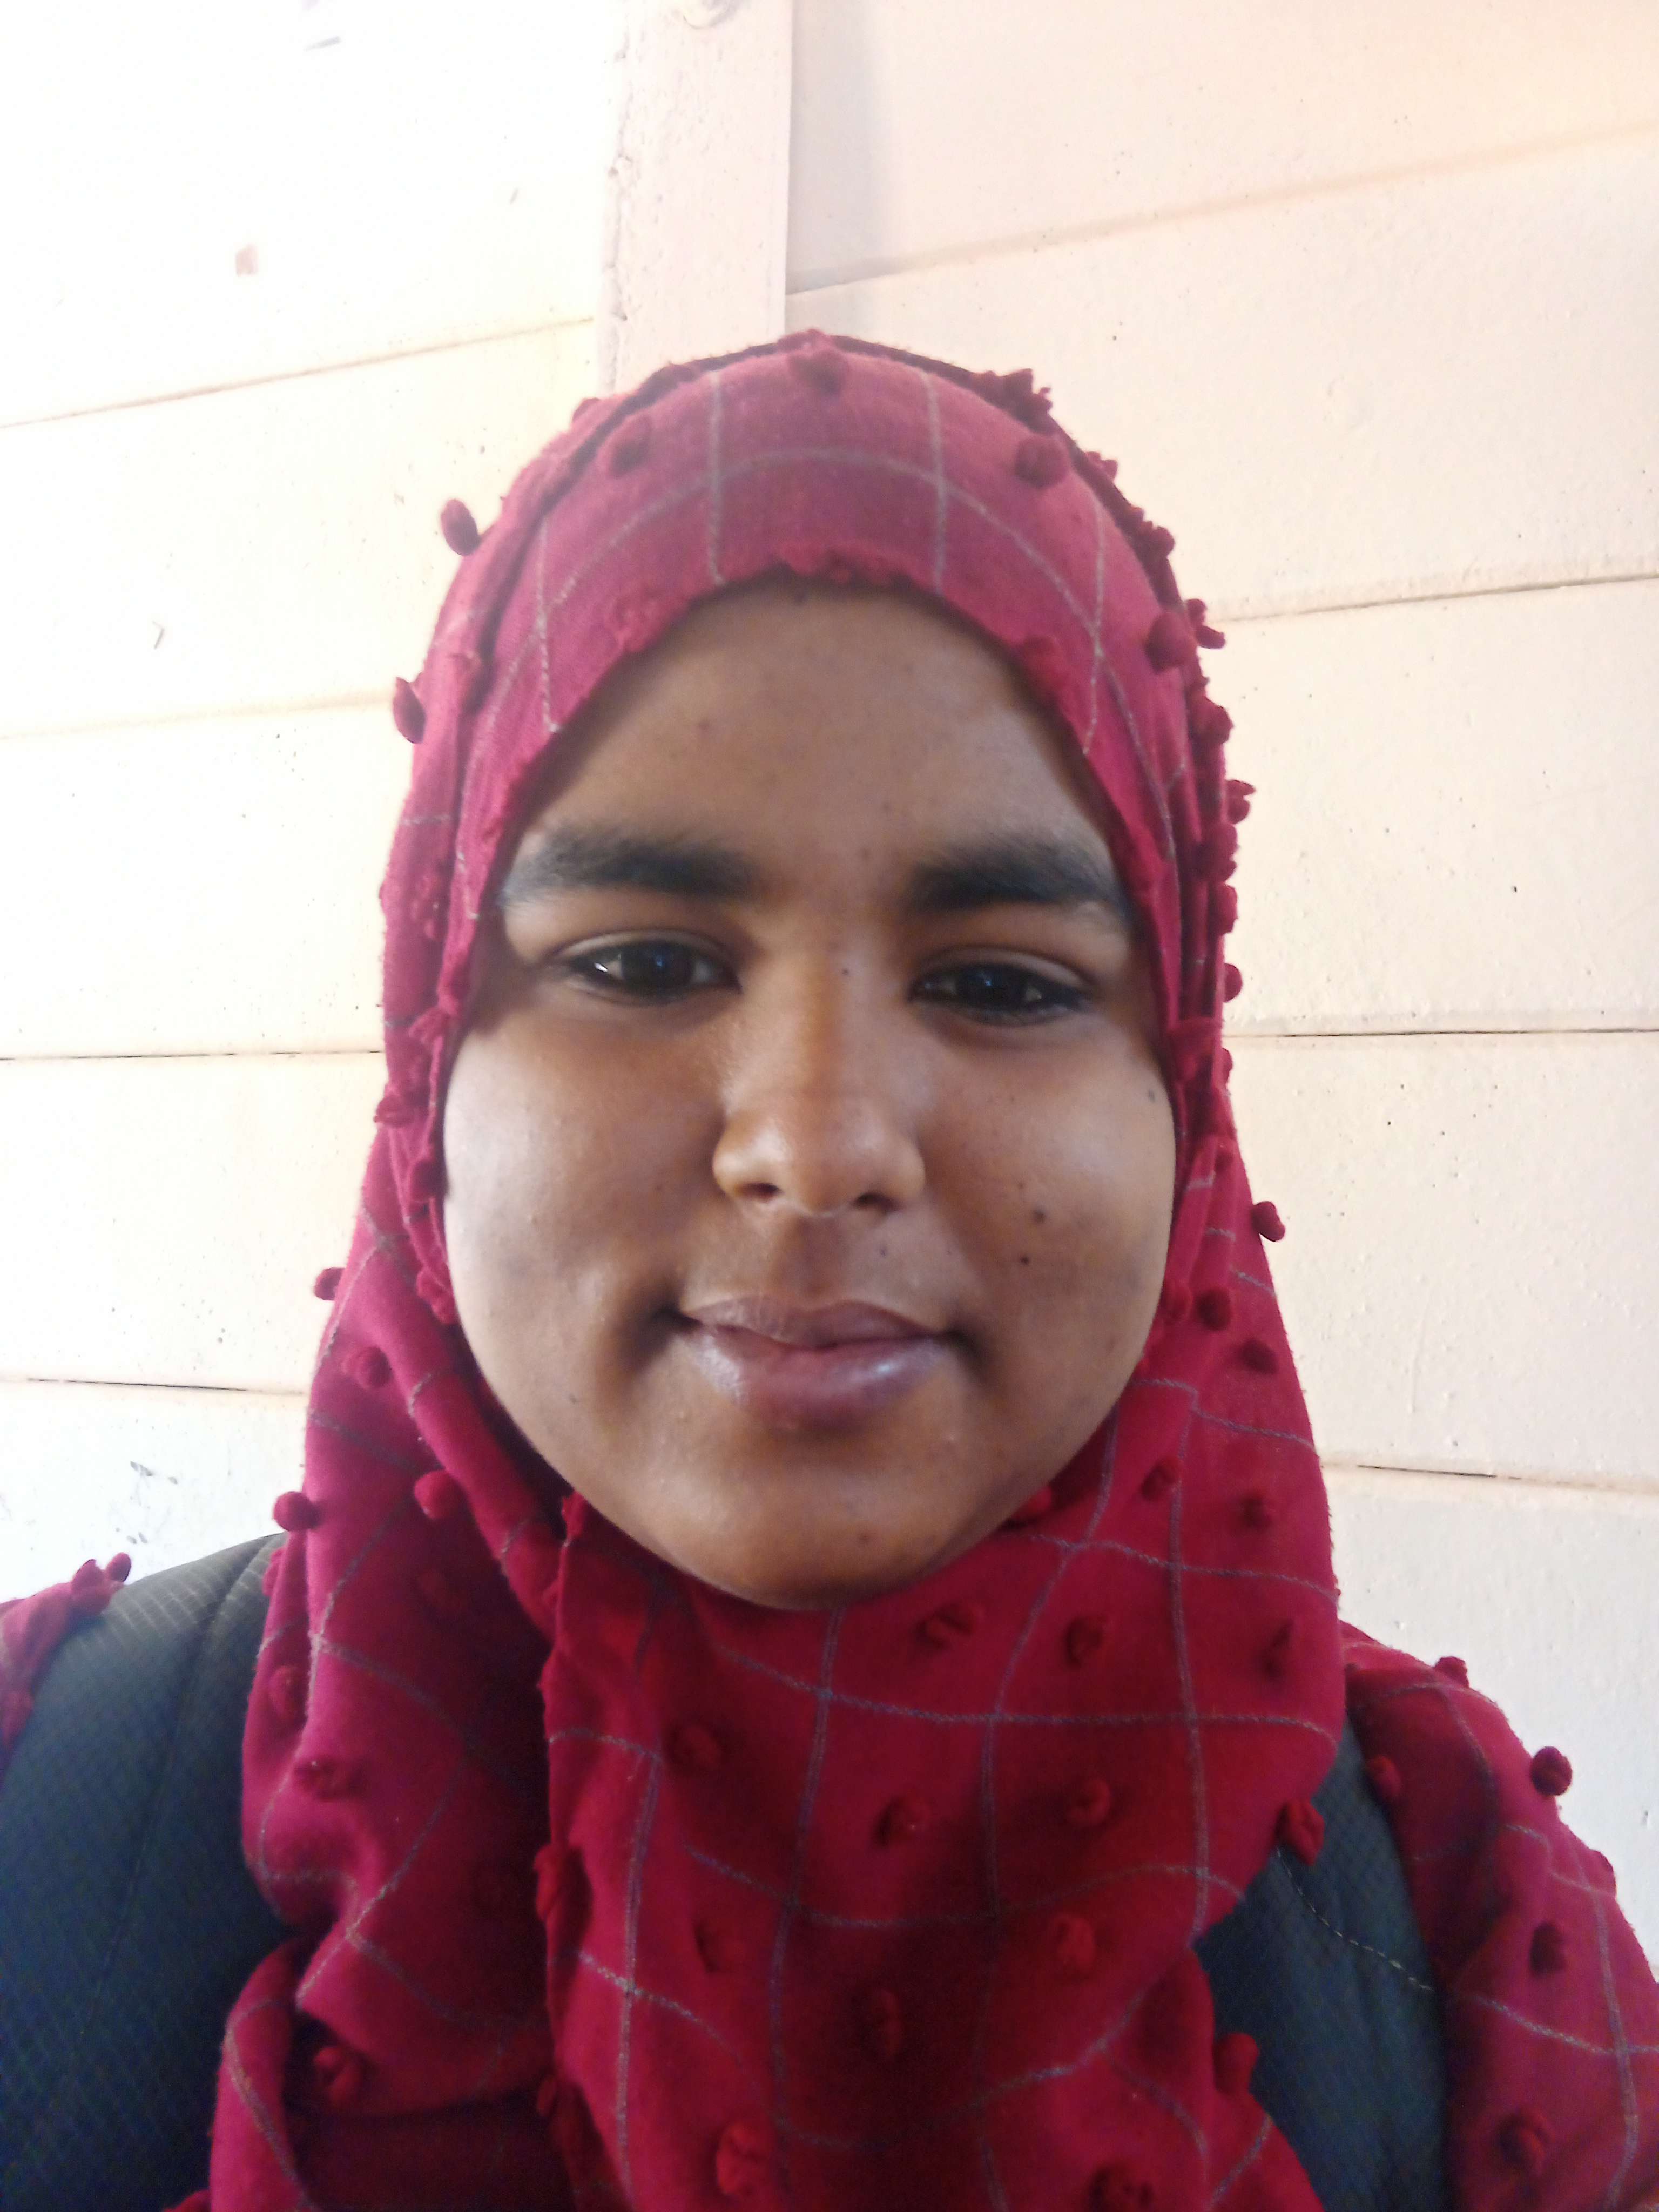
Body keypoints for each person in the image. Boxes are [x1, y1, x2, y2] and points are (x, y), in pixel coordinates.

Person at [2, 333, 1654, 2212]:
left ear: (1185, 1096)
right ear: (430, 1054)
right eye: (641, 963)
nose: (818, 1142)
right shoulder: (49, 1821)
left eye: (1004, 982)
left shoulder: (1455, 1934)